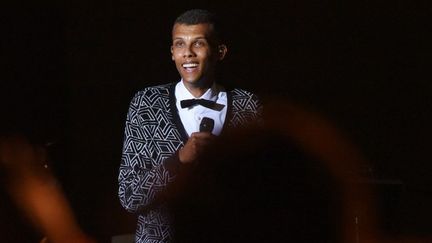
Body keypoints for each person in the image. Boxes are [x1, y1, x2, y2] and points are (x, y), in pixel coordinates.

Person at [117, 9, 262, 243]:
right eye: (180, 45)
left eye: (199, 43)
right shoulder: (147, 104)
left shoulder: (247, 105)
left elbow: (264, 193)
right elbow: (130, 197)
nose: (188, 54)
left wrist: (224, 164)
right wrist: (179, 160)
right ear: (172, 53)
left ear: (220, 52)